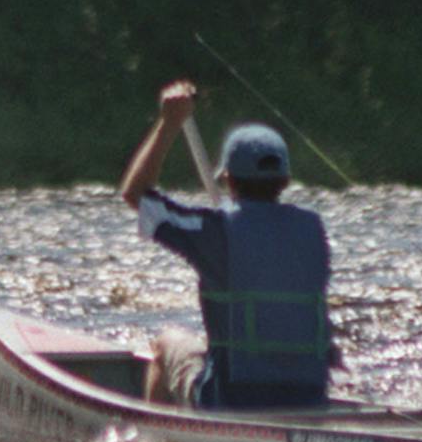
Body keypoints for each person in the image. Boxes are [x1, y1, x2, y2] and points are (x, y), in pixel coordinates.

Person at [119, 79, 336, 409]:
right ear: (286, 181)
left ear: (229, 179)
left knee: (165, 346)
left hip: (232, 399)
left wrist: (170, 122)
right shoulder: (313, 229)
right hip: (308, 397)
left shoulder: (216, 230)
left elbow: (136, 195)